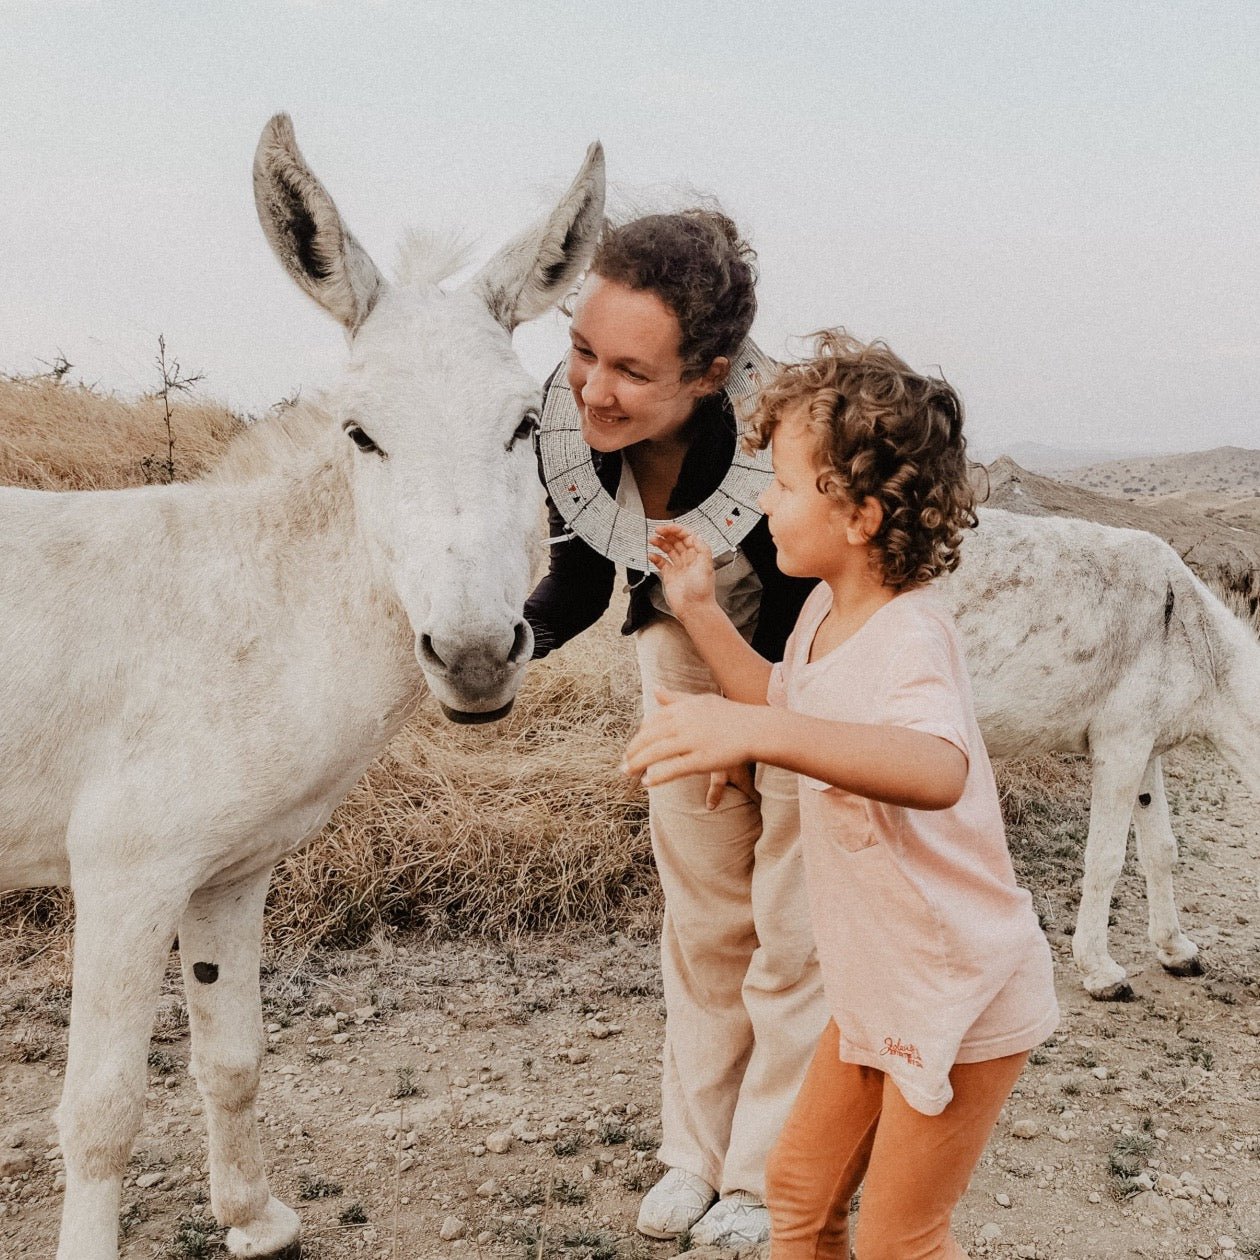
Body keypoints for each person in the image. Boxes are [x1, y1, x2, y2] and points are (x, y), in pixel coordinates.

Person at [624, 330, 1059, 1259]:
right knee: (797, 1194)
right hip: (873, 985)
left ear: (860, 515)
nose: (763, 506)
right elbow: (782, 704)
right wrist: (699, 609)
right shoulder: (825, 611)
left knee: (901, 1238)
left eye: (781, 487)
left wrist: (761, 736)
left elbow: (936, 769)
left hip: (958, 992)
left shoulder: (911, 635)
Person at [523, 211, 829, 1247]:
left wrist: (749, 739)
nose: (593, 389)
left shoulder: (779, 445)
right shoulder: (572, 442)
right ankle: (694, 1154)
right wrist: (502, 646)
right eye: (581, 352)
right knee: (703, 922)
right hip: (679, 654)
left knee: (790, 923)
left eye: (629, 371)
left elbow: (800, 628)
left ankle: (764, 1170)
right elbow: (579, 582)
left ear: (708, 375)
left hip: (800, 669)